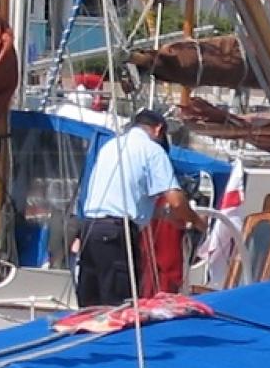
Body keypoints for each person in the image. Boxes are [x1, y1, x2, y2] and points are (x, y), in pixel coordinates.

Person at [76, 110, 205, 307]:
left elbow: (123, 197)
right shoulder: (152, 150)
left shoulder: (110, 146)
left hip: (89, 230)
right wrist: (196, 221)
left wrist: (163, 215)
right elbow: (176, 201)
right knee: (120, 308)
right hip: (117, 235)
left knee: (90, 308)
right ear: (158, 129)